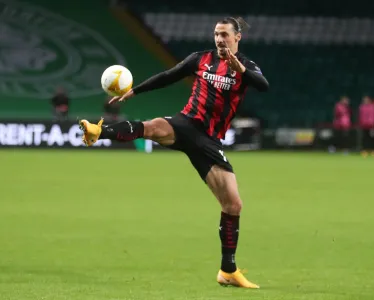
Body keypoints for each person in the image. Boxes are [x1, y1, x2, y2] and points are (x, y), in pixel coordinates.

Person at [79, 17, 269, 288]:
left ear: (237, 38)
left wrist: (238, 68)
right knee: (154, 126)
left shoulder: (246, 66)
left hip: (209, 141)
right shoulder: (200, 60)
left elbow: (263, 86)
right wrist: (135, 91)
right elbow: (169, 76)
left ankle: (228, 270)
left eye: (225, 34)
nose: (219, 39)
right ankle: (99, 132)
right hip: (186, 123)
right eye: (216, 34)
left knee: (233, 205)